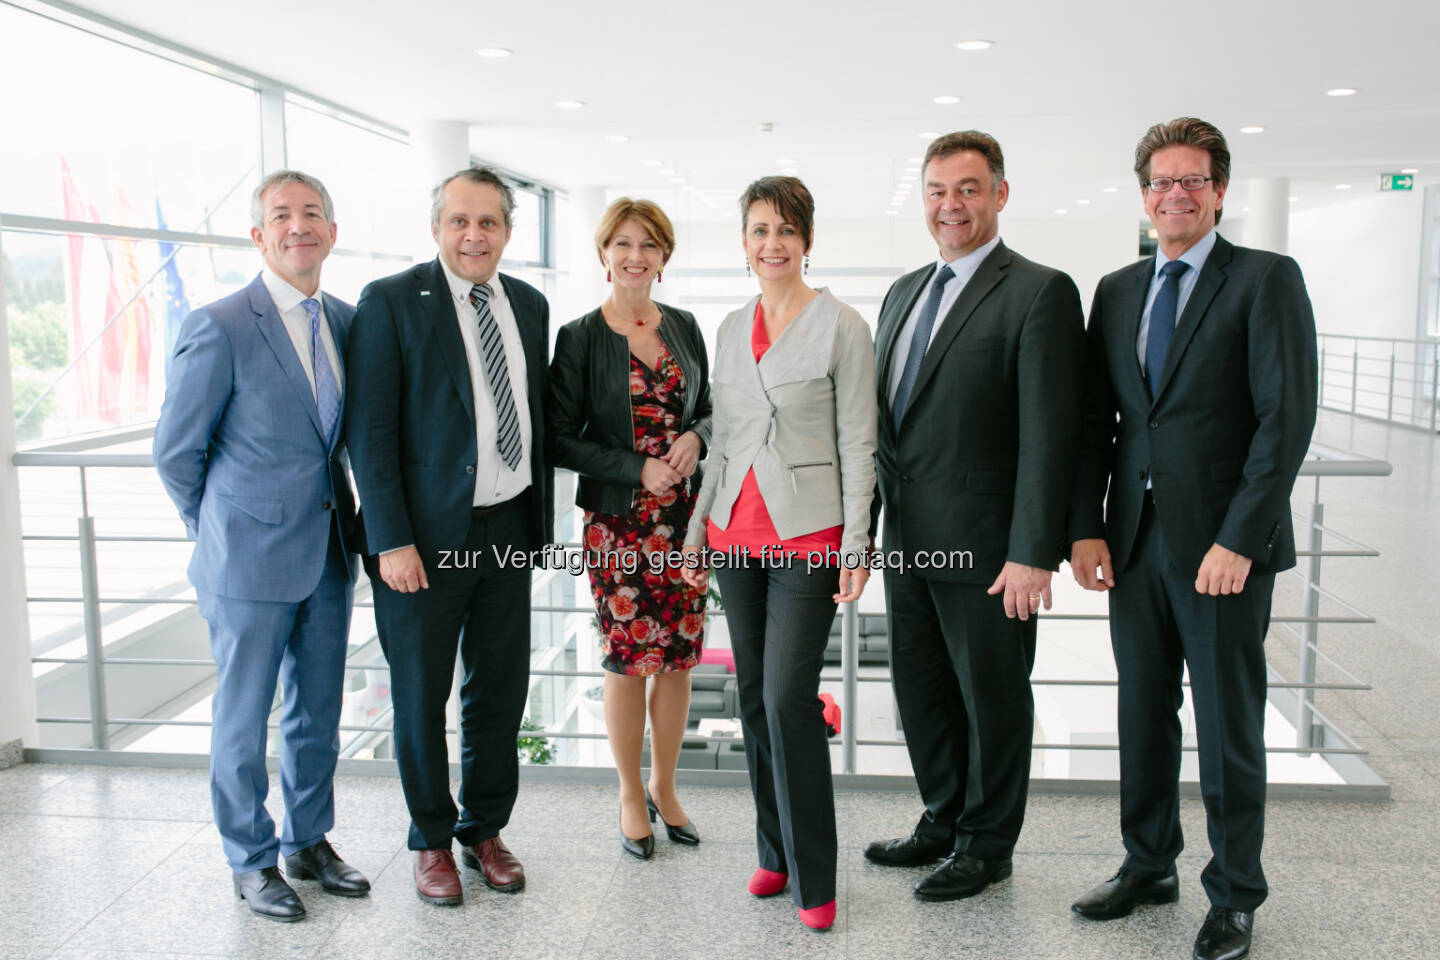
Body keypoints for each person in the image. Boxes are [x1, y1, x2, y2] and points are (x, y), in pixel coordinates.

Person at [1067, 117, 1317, 960]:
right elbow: (1097, 423)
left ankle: (1236, 894)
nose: (1176, 194)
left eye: (1193, 180)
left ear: (1219, 191)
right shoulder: (1118, 289)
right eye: (1161, 181)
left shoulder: (1265, 279)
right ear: (1144, 194)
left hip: (1223, 553)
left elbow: (1285, 422)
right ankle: (1148, 865)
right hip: (1134, 544)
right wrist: (1087, 528)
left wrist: (1240, 538)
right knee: (1142, 714)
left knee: (1226, 724)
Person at [865, 131, 1084, 901]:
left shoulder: (1039, 291)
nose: (950, 205)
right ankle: (944, 818)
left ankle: (988, 846)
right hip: (907, 541)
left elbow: (1050, 436)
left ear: (999, 194)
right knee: (923, 691)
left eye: (967, 189)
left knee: (992, 699)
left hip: (991, 550)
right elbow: (884, 427)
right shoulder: (902, 293)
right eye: (937, 190)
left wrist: (1033, 552)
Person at [154, 169, 369, 922]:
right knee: (242, 721)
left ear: (332, 232)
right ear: (258, 235)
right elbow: (176, 453)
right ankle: (250, 858)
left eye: (312, 213)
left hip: (328, 554)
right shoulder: (220, 325)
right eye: (281, 215)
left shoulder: (346, 321)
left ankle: (308, 840)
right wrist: (219, 528)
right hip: (244, 561)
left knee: (316, 712)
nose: (298, 225)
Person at [344, 166, 552, 905]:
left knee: (499, 692)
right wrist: (390, 539)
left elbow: (533, 413)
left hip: (507, 529)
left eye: (488, 222)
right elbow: (369, 433)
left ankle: (483, 830)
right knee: (420, 694)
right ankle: (430, 838)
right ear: (436, 227)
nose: (473, 235)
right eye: (459, 221)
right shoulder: (391, 301)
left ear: (507, 231)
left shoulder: (529, 304)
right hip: (423, 543)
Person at [681, 176, 876, 931]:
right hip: (734, 534)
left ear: (808, 240)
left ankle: (816, 878)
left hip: (809, 536)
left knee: (791, 698)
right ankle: (775, 850)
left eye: (787, 230)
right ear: (744, 242)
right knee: (755, 697)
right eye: (761, 230)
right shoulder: (732, 327)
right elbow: (725, 441)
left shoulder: (842, 326)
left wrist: (857, 546)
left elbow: (859, 442)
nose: (773, 243)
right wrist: (696, 534)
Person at [546, 197, 713, 859]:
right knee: (627, 661)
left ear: (663, 256)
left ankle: (665, 786)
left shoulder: (685, 327)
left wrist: (697, 437)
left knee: (677, 660)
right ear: (604, 253)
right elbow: (559, 437)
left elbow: (711, 407)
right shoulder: (581, 337)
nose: (635, 256)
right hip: (619, 525)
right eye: (623, 243)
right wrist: (635, 467)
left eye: (648, 244)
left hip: (686, 521)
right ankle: (627, 793)